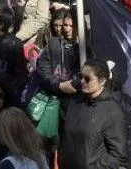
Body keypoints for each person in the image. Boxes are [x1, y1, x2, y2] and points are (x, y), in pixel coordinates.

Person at [61, 59, 127, 169]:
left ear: (102, 81)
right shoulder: (75, 101)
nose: (82, 81)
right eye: (80, 76)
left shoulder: (113, 112)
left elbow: (118, 157)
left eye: (87, 78)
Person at [34, 8, 80, 165]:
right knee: (46, 140)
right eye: (64, 25)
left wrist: (73, 84)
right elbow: (43, 69)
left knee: (66, 143)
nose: (66, 29)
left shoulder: (84, 50)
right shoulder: (53, 43)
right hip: (51, 99)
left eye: (71, 26)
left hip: (71, 105)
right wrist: (59, 85)